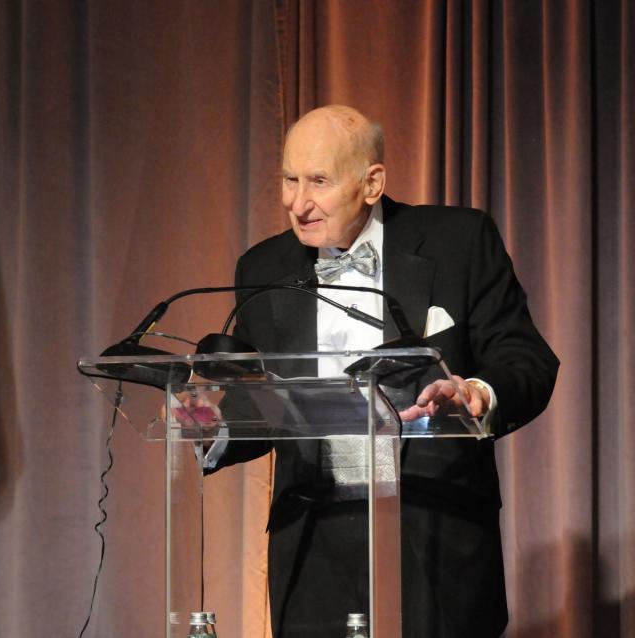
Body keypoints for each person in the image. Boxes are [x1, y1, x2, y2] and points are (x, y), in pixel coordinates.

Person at [205, 105, 559, 638]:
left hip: (432, 528)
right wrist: (207, 420)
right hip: (312, 542)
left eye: (319, 182)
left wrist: (476, 393)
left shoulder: (458, 241)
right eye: (289, 179)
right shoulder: (262, 268)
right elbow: (265, 404)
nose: (297, 204)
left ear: (372, 183)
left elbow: (525, 360)